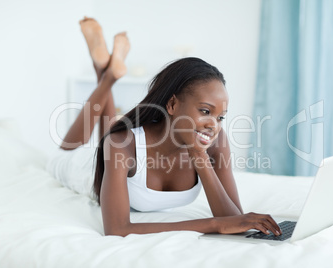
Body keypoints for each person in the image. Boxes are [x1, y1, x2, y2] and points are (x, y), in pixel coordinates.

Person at [49, 16, 282, 237]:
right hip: (79, 169)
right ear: (172, 104)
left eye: (221, 117)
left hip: (119, 147)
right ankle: (107, 76)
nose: (213, 125)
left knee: (113, 132)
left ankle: (106, 71)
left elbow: (233, 220)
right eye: (205, 111)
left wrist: (199, 156)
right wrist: (213, 224)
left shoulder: (215, 144)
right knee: (73, 149)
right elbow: (117, 229)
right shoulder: (121, 144)